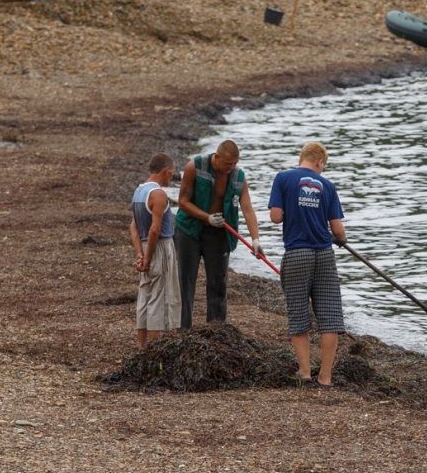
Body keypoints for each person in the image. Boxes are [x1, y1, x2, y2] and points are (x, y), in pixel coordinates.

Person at [269, 142, 347, 387]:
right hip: (324, 254)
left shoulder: (283, 178)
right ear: (320, 162)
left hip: (297, 254)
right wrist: (341, 240)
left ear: (301, 158)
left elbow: (275, 217)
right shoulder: (328, 186)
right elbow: (338, 231)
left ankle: (304, 373)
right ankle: (325, 377)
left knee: (299, 312)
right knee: (329, 315)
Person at [175, 140, 263, 328]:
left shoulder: (238, 176)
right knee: (186, 280)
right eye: (227, 164)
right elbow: (182, 202)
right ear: (217, 157)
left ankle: (216, 330)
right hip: (189, 229)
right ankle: (182, 330)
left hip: (218, 233)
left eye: (234, 164)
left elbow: (247, 208)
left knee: (218, 282)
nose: (231, 168)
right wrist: (207, 216)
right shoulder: (195, 166)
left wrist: (256, 239)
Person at [129, 153, 181, 350]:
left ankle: (142, 348)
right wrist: (148, 257)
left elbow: (133, 226)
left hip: (145, 246)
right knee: (159, 301)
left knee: (145, 298)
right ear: (166, 170)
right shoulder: (158, 194)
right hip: (161, 247)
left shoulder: (138, 191)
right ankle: (155, 351)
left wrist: (140, 254)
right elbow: (155, 229)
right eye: (172, 174)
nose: (171, 178)